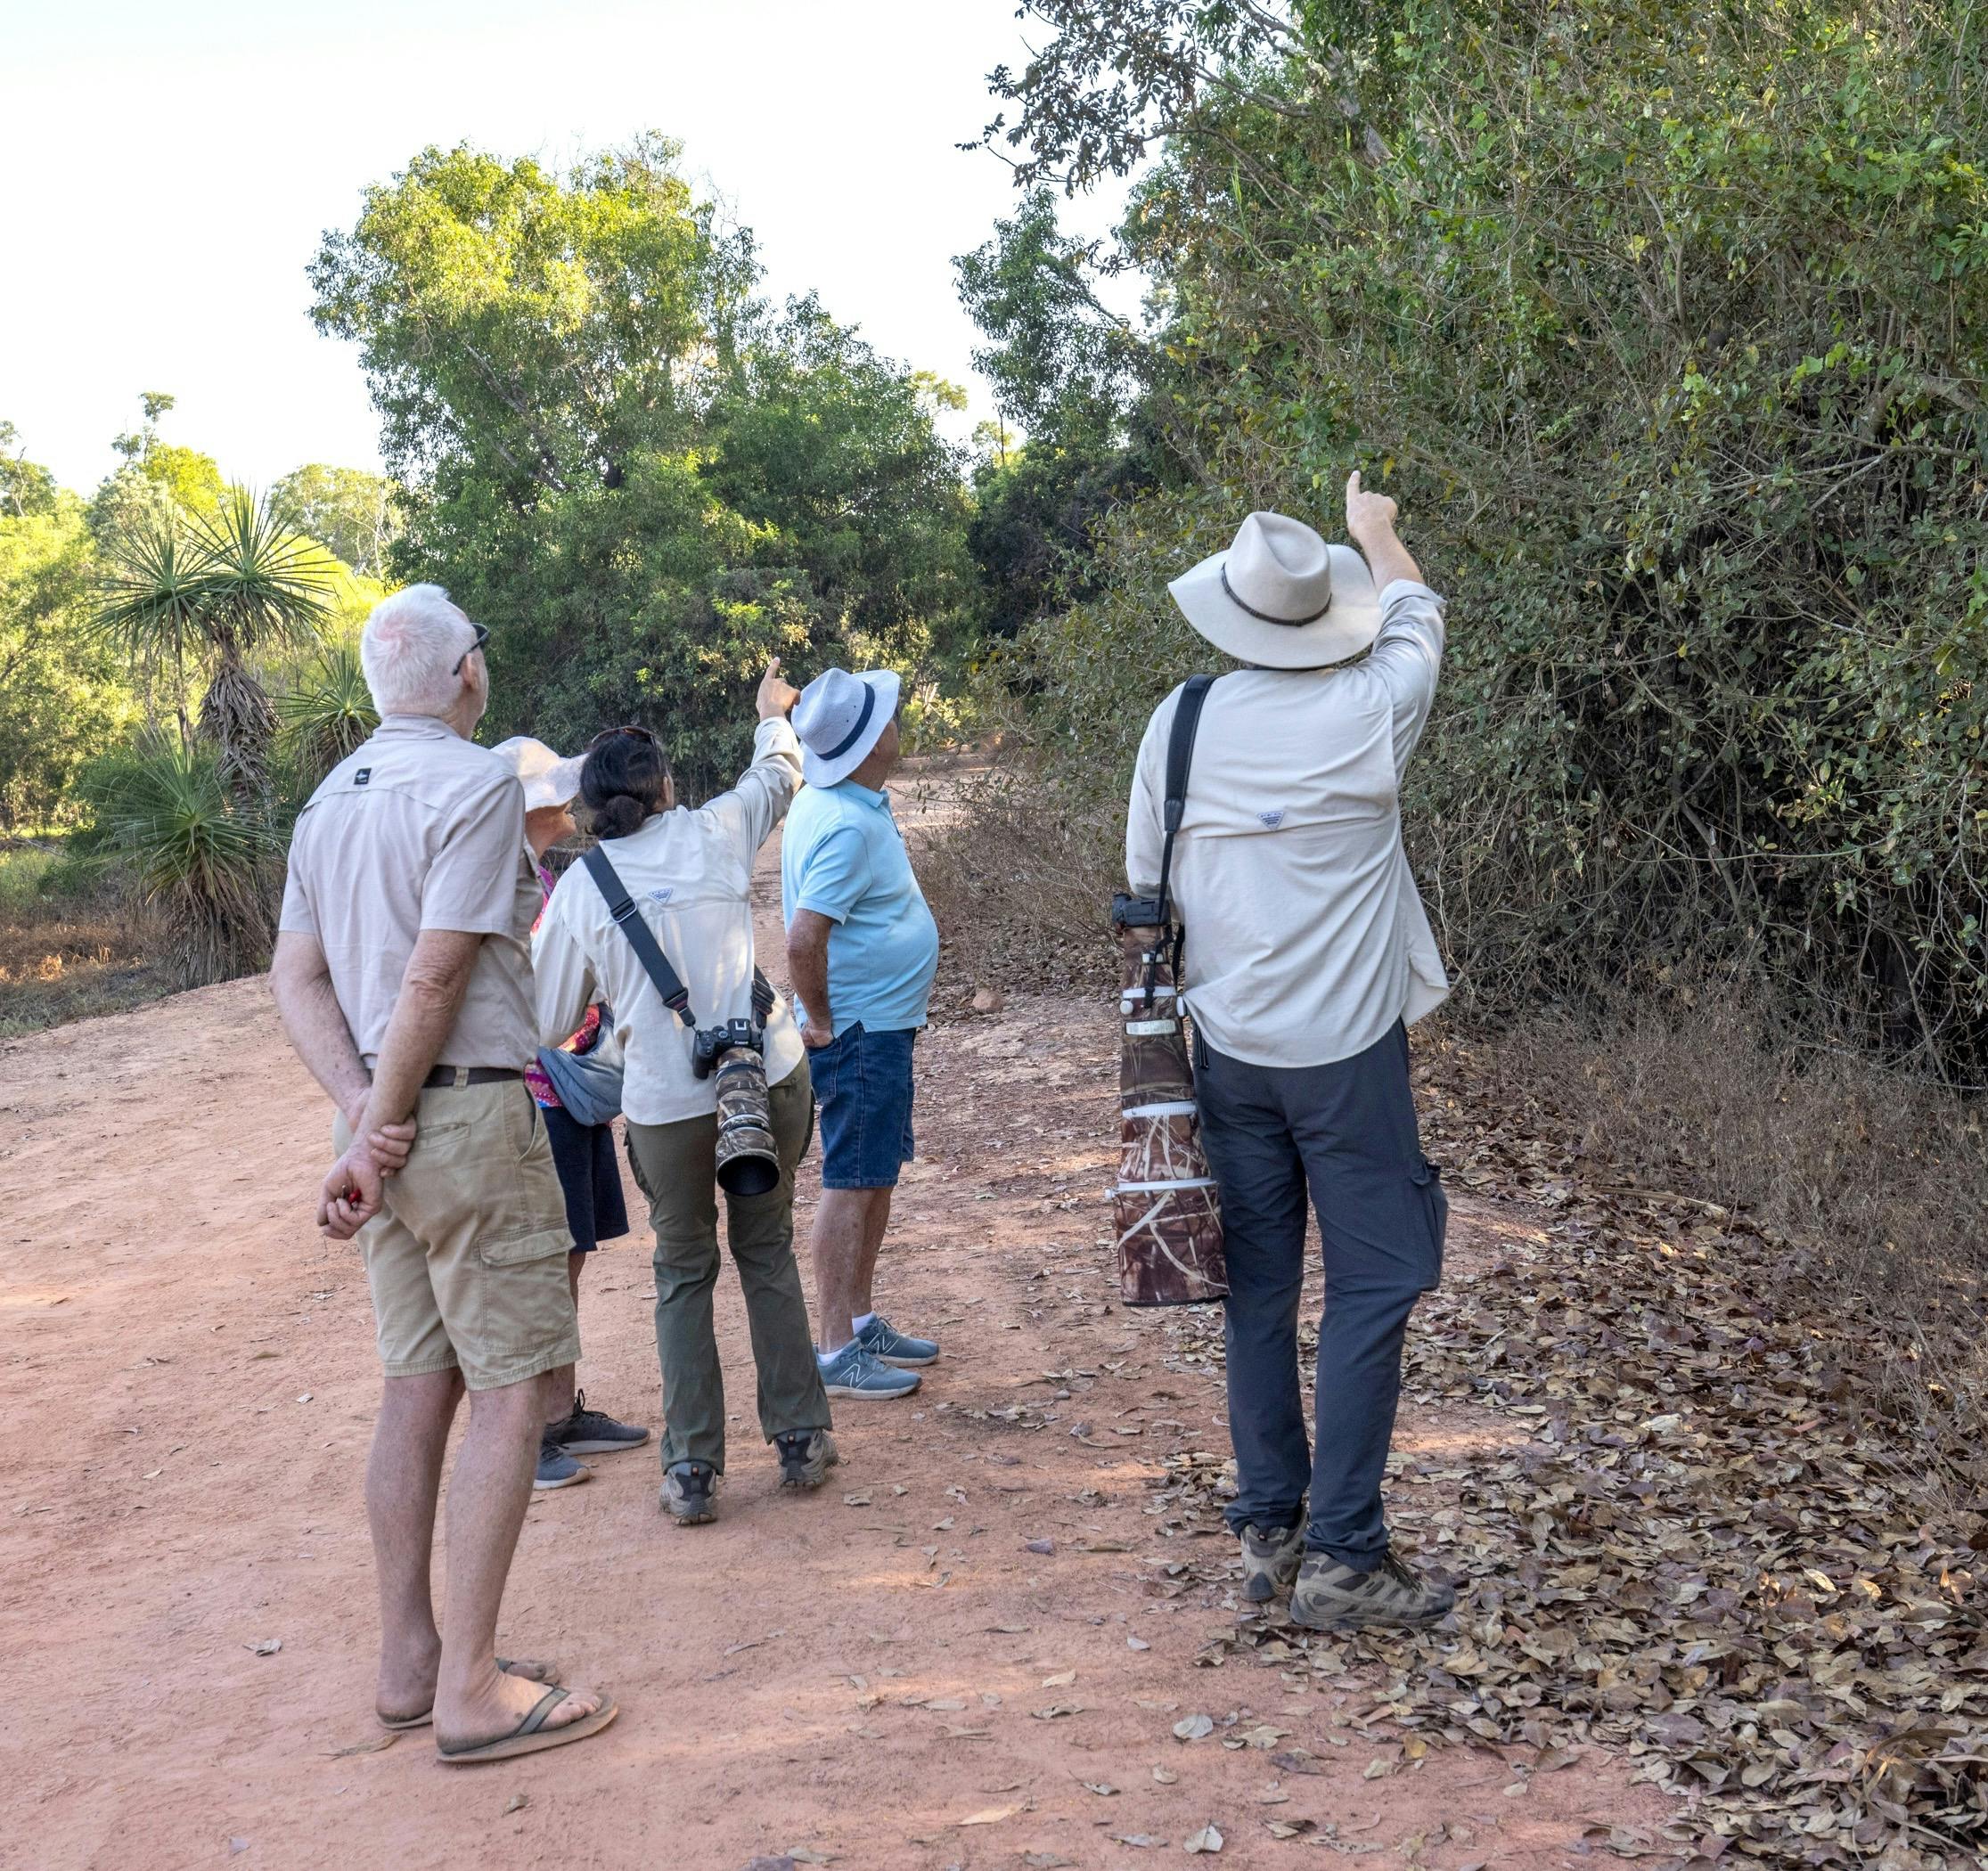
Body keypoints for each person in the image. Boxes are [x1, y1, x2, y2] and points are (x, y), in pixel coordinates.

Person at [270, 582, 616, 1762]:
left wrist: (359, 1121)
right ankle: (471, 1691)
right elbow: (435, 977)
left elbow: (297, 980)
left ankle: (409, 1661)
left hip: (383, 1131)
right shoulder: (473, 786)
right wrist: (386, 1122)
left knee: (416, 1386)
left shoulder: (326, 803)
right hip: (456, 1120)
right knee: (513, 1389)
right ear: (463, 672)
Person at [1125, 476, 1456, 1631]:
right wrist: (1373, 532)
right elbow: (1419, 617)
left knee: (1258, 1292)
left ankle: (1271, 1528)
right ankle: (1345, 1555)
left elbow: (1140, 892)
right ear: (1324, 615)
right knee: (1374, 1282)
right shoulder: (1368, 712)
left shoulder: (1179, 723)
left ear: (1228, 609)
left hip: (1225, 1055)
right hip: (1349, 1059)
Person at [533, 662, 836, 1527]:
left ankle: (694, 1469)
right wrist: (767, 715)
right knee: (766, 1253)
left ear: (590, 812)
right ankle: (801, 1439)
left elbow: (551, 1017)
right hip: (764, 1075)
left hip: (667, 1103)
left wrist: (612, 999)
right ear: (666, 787)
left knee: (682, 1271)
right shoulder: (715, 831)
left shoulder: (583, 891)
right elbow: (777, 774)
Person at [491, 737, 650, 1491]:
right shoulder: (498, 881)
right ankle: (525, 1434)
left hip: (562, 1087)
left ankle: (556, 1413)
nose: (567, 803)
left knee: (570, 1249)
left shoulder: (537, 875)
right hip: (533, 1091)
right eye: (552, 793)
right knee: (542, 1261)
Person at [782, 667, 942, 1401]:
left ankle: (858, 1317)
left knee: (873, 1172)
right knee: (850, 1181)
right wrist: (821, 1020)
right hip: (859, 1029)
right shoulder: (846, 822)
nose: (898, 721)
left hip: (877, 1024)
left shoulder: (843, 802)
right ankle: (836, 1346)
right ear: (873, 739)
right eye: (890, 716)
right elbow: (802, 938)